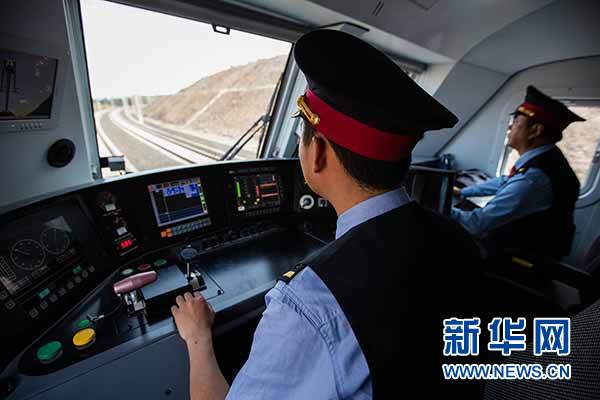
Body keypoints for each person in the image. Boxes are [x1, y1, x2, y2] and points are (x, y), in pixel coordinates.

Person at [170, 29, 487, 400]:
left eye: (302, 136)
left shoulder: (309, 302)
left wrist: (197, 337)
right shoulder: (459, 240)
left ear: (317, 152)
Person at [452, 86, 584, 258]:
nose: (509, 128)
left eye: (515, 123)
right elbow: (507, 180)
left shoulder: (534, 178)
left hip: (519, 258)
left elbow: (476, 224)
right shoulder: (546, 160)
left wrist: (434, 205)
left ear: (535, 130)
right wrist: (463, 192)